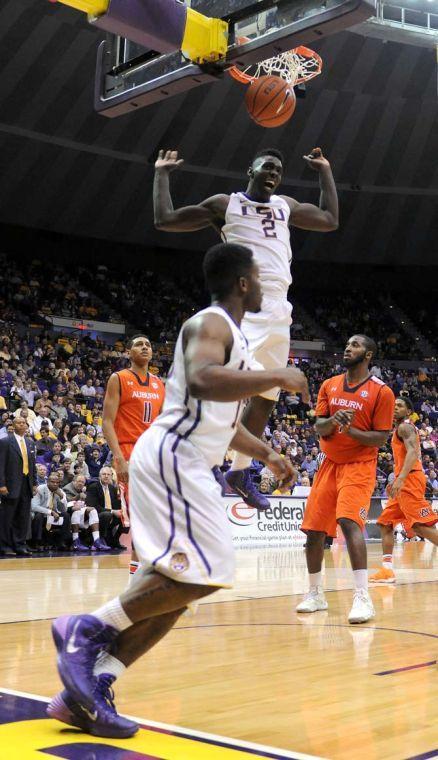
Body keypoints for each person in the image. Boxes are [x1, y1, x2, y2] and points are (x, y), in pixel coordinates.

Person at [48, 242, 309, 738]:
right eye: (260, 275)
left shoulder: (233, 336)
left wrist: (268, 453)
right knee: (208, 573)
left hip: (188, 460)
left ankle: (89, 688)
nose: (266, 283)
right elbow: (204, 379)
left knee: (171, 593)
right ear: (244, 282)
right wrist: (276, 374)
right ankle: (85, 628)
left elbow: (223, 420)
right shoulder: (210, 324)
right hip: (173, 458)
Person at [153, 146, 338, 509]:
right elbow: (166, 219)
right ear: (249, 169)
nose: (273, 172)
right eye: (267, 165)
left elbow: (330, 219)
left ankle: (240, 470)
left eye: (279, 169)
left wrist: (325, 171)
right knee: (229, 385)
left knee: (268, 395)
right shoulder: (226, 204)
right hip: (245, 305)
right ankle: (193, 460)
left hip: (280, 308)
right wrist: (162, 173)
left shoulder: (285, 205)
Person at [296, 335, 395, 624]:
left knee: (349, 522)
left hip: (360, 465)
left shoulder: (382, 392)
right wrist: (335, 420)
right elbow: (319, 426)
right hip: (329, 463)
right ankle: (315, 593)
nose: (348, 348)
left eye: (355, 345)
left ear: (368, 355)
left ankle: (362, 597)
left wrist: (350, 431)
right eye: (347, 343)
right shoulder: (329, 384)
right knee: (314, 531)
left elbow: (380, 438)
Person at [102, 334, 165, 580]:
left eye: (148, 344)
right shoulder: (119, 378)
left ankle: (151, 573)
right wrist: (118, 458)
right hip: (129, 452)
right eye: (139, 344)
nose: (145, 347)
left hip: (153, 455)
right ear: (129, 352)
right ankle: (135, 579)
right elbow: (107, 422)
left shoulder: (159, 383)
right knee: (139, 516)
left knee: (155, 516)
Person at [370, 397, 438, 583]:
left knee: (419, 526)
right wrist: (397, 477)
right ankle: (387, 570)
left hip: (409, 479)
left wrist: (400, 478)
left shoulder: (404, 427)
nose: (395, 408)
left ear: (409, 411)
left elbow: (413, 453)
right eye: (393, 406)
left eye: (400, 406)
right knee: (385, 524)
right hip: (403, 479)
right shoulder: (400, 428)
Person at [0, 417, 37, 556]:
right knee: (7, 517)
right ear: (13, 425)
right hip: (10, 485)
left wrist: (34, 483)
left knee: (22, 517)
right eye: (19, 422)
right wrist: (1, 484)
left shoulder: (29, 442)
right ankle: (5, 545)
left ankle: (20, 544)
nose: (22, 424)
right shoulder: (5, 442)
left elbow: (32, 465)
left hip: (26, 485)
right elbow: (1, 465)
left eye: (24, 423)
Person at [86, 466, 128, 550]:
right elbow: (94, 506)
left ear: (111, 476)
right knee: (107, 515)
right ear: (99, 476)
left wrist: (123, 510)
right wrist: (113, 511)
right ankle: (100, 539)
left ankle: (115, 540)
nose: (106, 476)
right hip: (96, 515)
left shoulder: (112, 488)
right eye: (104, 474)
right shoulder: (93, 487)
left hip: (110, 514)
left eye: (108, 474)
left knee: (127, 516)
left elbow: (116, 505)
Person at [31, 472, 72, 552]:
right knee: (39, 515)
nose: (55, 484)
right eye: (52, 482)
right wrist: (50, 512)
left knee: (66, 515)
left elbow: (63, 510)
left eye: (57, 483)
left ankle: (62, 542)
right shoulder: (40, 489)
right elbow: (34, 506)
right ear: (47, 482)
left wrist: (61, 497)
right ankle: (37, 543)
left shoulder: (59, 491)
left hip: (53, 518)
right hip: (42, 516)